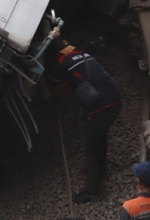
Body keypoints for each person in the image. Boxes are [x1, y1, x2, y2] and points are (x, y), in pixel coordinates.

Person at [52, 41, 122, 203]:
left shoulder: (63, 64)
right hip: (115, 99)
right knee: (100, 136)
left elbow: (53, 85)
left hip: (101, 108)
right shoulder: (84, 55)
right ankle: (101, 169)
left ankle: (92, 190)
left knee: (91, 147)